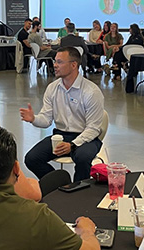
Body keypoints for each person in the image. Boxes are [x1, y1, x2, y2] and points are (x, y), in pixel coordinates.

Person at [21, 47, 105, 182]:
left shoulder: (91, 92)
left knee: (82, 158)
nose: (55, 65)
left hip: (87, 137)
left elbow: (93, 129)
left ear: (73, 65)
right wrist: (34, 119)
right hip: (61, 135)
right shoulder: (52, 88)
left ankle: (79, 188)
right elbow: (46, 119)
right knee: (32, 159)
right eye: (55, 61)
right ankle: (60, 184)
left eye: (59, 62)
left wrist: (72, 145)